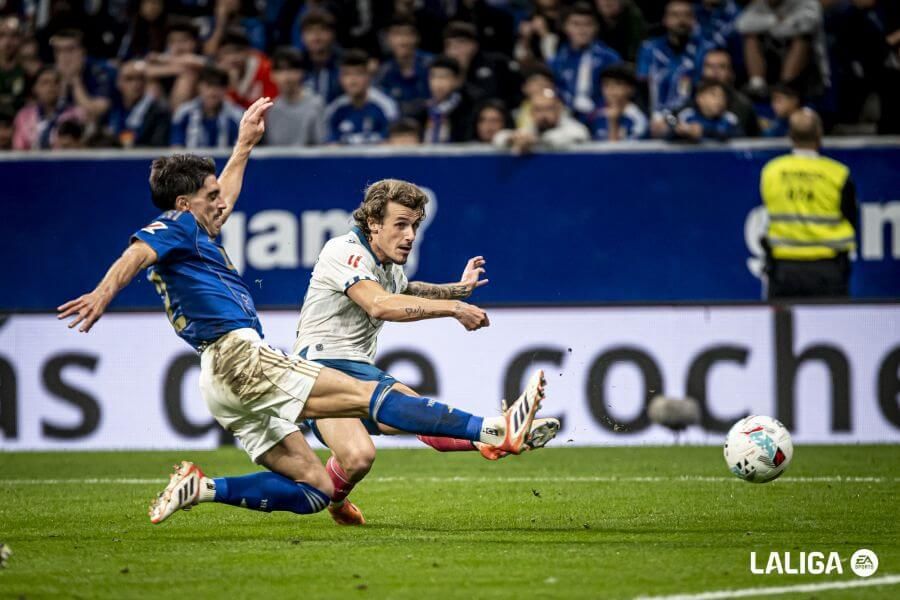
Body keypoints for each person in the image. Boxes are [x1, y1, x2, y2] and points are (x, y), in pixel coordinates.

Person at [57, 97, 549, 525]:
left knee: (319, 488)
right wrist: (103, 294)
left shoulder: (195, 230)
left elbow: (401, 286)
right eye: (210, 197)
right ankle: (493, 430)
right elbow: (138, 251)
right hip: (240, 355)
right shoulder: (176, 226)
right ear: (185, 204)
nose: (222, 203)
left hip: (218, 378)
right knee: (371, 397)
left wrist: (244, 145)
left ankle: (202, 488)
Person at [293, 178, 560, 524]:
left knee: (361, 455)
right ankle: (494, 431)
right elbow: (379, 304)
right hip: (320, 366)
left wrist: (458, 290)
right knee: (403, 415)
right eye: (401, 224)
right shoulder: (344, 251)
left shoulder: (387, 265)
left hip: (353, 369)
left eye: (415, 225)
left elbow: (407, 288)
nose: (410, 235)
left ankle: (336, 501)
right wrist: (453, 308)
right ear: (373, 223)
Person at [760, 109, 856, 299]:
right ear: (819, 134)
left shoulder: (771, 170)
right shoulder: (838, 173)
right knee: (831, 326)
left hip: (784, 269)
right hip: (827, 269)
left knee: (783, 328)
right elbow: (851, 216)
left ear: (790, 136)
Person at [637, 0, 710, 131]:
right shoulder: (649, 49)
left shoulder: (703, 50)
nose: (681, 20)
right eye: (675, 15)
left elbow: (701, 91)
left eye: (686, 15)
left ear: (694, 20)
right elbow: (642, 89)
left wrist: (670, 119)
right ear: (665, 20)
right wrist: (650, 118)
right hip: (654, 117)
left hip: (690, 118)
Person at [736, 0, 829, 101]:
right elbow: (742, 25)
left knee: (801, 38)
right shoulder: (759, 5)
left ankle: (785, 87)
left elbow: (806, 25)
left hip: (809, 73)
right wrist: (775, 20)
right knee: (750, 36)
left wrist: (771, 27)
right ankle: (757, 84)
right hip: (773, 66)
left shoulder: (807, 3)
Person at [550, 3, 623, 122]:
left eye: (588, 24)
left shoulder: (610, 58)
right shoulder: (556, 61)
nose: (582, 30)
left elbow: (618, 93)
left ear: (596, 27)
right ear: (565, 27)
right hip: (566, 118)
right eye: (576, 24)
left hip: (602, 116)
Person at [324, 49, 399, 145]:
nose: (353, 80)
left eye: (359, 74)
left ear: (368, 76)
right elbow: (330, 147)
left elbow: (392, 143)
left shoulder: (386, 106)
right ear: (340, 79)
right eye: (347, 74)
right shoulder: (334, 109)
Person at [493, 88, 589, 154]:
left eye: (548, 109)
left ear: (558, 110)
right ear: (531, 113)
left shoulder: (573, 127)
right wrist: (512, 139)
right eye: (538, 109)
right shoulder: (529, 129)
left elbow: (580, 134)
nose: (543, 114)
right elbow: (499, 138)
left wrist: (535, 141)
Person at [170, 65, 244, 148]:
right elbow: (176, 149)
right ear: (199, 87)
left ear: (225, 90)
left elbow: (242, 150)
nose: (212, 92)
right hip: (189, 160)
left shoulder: (237, 116)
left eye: (218, 87)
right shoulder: (184, 113)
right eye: (208, 86)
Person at [12, 66, 85, 150]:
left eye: (56, 82)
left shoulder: (75, 114)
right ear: (35, 88)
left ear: (61, 87)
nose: (51, 87)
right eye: (45, 82)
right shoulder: (23, 116)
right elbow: (18, 149)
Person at [264, 47, 325, 147]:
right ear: (272, 75)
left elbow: (322, 147)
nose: (286, 76)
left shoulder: (316, 104)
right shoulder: (271, 109)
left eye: (291, 69)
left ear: (302, 73)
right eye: (280, 70)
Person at [105, 59, 171, 148]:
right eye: (129, 79)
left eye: (140, 79)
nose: (136, 84)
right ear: (118, 83)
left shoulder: (159, 112)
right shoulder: (111, 108)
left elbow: (157, 148)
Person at [375, 16, 432, 117]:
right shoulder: (383, 73)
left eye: (408, 34)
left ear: (417, 38)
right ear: (388, 39)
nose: (403, 41)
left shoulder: (432, 65)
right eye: (397, 35)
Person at [700, 47, 760, 137]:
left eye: (722, 67)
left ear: (731, 73)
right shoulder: (692, 99)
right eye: (709, 66)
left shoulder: (743, 105)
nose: (715, 72)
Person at [416, 55, 474, 143]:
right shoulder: (422, 111)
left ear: (457, 81)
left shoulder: (468, 110)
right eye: (433, 77)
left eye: (444, 77)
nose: (438, 83)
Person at [215, 27, 277, 109]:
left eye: (238, 51)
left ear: (248, 51)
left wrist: (233, 91)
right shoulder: (216, 73)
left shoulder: (266, 70)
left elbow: (270, 105)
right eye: (227, 52)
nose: (233, 58)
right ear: (219, 55)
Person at [589, 64, 647, 141]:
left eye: (618, 84)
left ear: (631, 89)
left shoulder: (637, 119)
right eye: (606, 84)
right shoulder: (596, 116)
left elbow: (624, 152)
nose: (611, 89)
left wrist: (613, 122)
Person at [673, 78, 742, 141]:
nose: (719, 100)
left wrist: (704, 131)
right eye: (714, 95)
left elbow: (740, 136)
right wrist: (682, 133)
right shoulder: (686, 116)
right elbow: (671, 134)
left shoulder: (730, 119)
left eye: (723, 96)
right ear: (699, 98)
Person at [298, 10, 342, 103]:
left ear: (332, 34)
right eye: (310, 31)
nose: (316, 36)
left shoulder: (344, 64)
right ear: (302, 37)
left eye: (322, 30)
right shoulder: (297, 65)